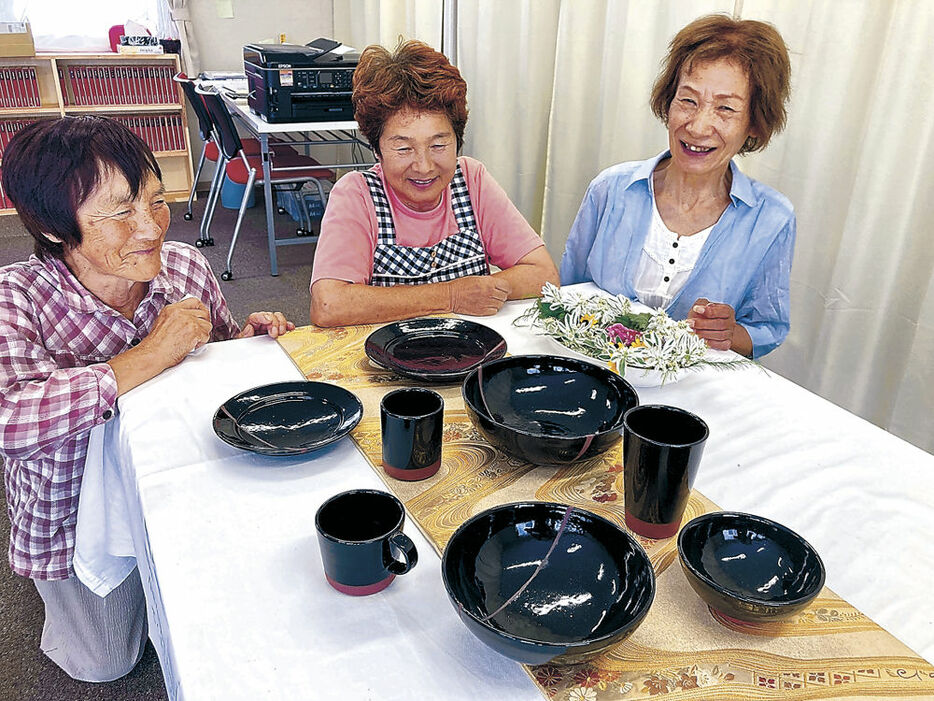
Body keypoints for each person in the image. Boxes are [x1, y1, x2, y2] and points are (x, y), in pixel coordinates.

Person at [0, 116, 294, 682]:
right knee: (105, 664)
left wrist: (247, 342)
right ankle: (59, 602)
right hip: (67, 514)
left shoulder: (185, 266)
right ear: (55, 228)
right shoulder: (17, 297)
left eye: (156, 202)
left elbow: (217, 349)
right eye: (118, 212)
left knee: (234, 618)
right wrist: (149, 355)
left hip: (181, 481)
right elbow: (11, 421)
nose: (149, 229)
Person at [560, 14, 795, 358]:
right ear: (668, 102)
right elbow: (568, 293)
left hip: (694, 394)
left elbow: (767, 329)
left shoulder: (772, 218)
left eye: (725, 108)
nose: (698, 126)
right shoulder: (610, 189)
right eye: (688, 100)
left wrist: (728, 333)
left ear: (755, 124)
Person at [309, 40, 558, 326]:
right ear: (377, 150)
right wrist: (451, 296)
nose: (424, 167)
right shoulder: (357, 194)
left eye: (438, 145)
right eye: (403, 148)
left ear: (457, 139)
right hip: (389, 355)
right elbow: (329, 304)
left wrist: (483, 291)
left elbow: (544, 275)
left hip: (469, 350)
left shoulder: (471, 179)